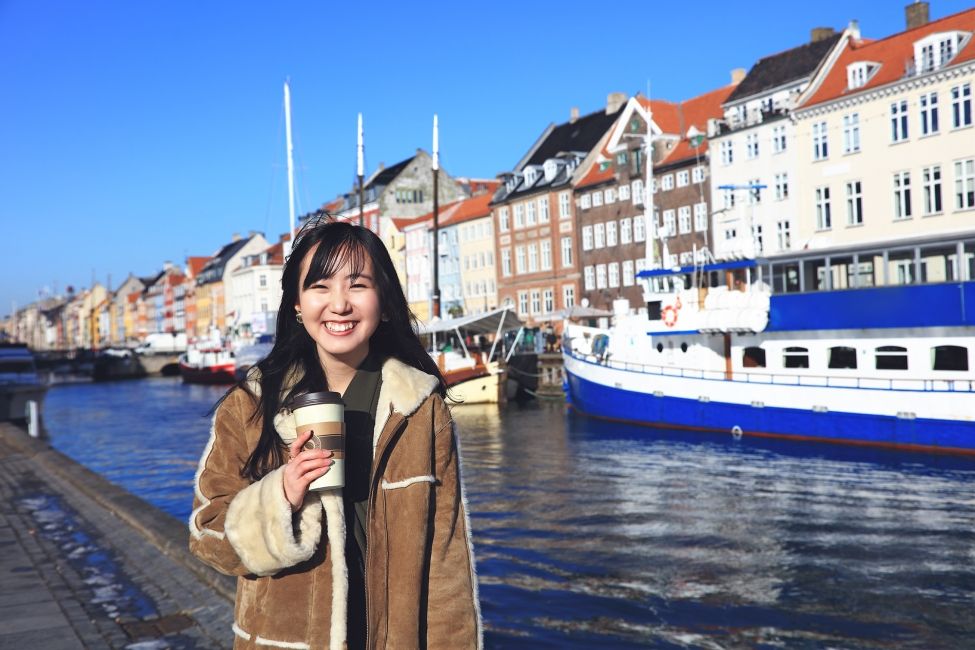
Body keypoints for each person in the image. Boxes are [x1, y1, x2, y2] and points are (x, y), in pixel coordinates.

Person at [188, 217, 482, 650]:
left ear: (383, 302)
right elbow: (205, 534)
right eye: (320, 286)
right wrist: (280, 497)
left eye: (358, 285)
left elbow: (446, 561)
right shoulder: (252, 403)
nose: (339, 304)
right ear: (296, 304)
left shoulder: (418, 406)